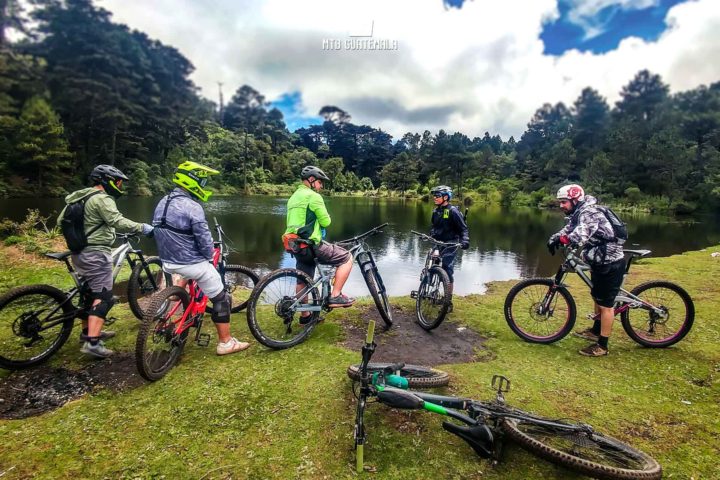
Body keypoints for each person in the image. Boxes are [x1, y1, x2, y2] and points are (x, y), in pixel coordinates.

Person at [151, 161, 250, 356]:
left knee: (188, 272)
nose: (204, 186)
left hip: (167, 261)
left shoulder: (163, 201)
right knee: (222, 298)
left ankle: (176, 292)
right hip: (189, 262)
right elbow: (205, 241)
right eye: (202, 182)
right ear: (193, 181)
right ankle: (225, 343)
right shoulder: (192, 206)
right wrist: (207, 257)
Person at [57, 164, 153, 359]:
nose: (119, 185)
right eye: (118, 181)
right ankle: (93, 343)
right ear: (107, 180)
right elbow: (117, 221)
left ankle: (87, 333)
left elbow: (61, 222)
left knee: (90, 294)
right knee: (104, 296)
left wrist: (89, 232)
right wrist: (143, 227)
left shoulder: (80, 197)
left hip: (79, 252)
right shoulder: (102, 199)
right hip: (95, 254)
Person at [547, 184, 625, 357]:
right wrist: (554, 237)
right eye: (560, 202)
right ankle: (595, 331)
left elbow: (580, 235)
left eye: (564, 202)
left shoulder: (589, 212)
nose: (561, 206)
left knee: (606, 305)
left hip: (609, 261)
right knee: (597, 295)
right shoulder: (579, 211)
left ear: (575, 199)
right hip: (598, 259)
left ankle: (602, 346)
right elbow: (570, 228)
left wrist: (562, 240)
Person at [284, 165, 354, 316]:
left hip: (295, 245)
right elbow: (326, 222)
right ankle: (335, 296)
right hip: (310, 244)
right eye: (320, 182)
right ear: (311, 179)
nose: (321, 185)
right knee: (346, 258)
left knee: (303, 279)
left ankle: (305, 316)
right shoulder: (313, 196)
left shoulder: (293, 197)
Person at [429, 185, 470, 312]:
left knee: (447, 269)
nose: (435, 198)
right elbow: (434, 227)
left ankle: (448, 301)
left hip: (451, 243)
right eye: (434, 196)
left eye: (438, 196)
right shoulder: (436, 212)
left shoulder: (453, 211)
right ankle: (431, 287)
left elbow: (463, 229)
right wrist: (430, 235)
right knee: (433, 261)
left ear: (446, 197)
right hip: (438, 242)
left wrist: (465, 240)